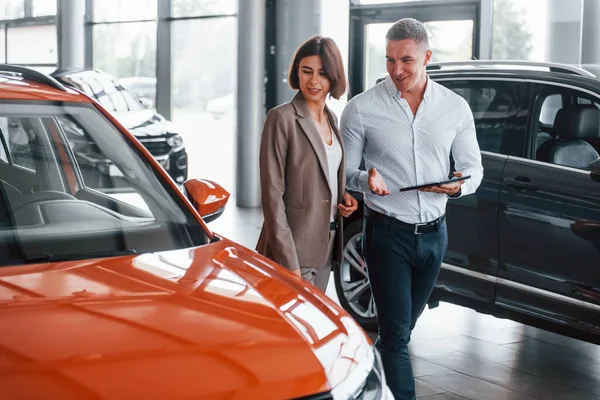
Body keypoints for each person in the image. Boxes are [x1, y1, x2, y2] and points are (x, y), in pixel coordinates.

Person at [341, 18, 483, 400]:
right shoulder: (361, 109)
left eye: (406, 60)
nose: (396, 70)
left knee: (396, 333)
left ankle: (359, 382)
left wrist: (459, 185)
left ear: (427, 57)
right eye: (389, 60)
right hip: (387, 234)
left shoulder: (455, 108)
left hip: (435, 236)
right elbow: (345, 173)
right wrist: (364, 178)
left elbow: (474, 168)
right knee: (397, 338)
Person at [256, 36, 358, 293]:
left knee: (312, 329)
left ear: (334, 77)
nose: (314, 81)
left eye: (323, 73)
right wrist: (288, 262)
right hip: (294, 250)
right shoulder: (282, 119)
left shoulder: (331, 119)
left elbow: (322, 177)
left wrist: (343, 198)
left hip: (327, 244)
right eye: (307, 71)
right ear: (296, 72)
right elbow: (272, 196)